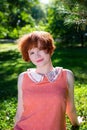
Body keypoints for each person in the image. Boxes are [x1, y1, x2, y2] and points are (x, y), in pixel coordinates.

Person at [14, 31, 81, 130]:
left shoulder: (66, 75)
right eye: (32, 52)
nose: (37, 55)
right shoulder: (23, 77)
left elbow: (70, 109)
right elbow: (20, 110)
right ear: (28, 56)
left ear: (50, 49)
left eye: (40, 49)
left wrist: (76, 123)